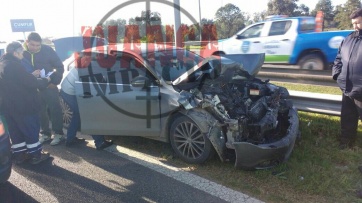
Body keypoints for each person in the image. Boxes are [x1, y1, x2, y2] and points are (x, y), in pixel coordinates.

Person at [0, 41, 51, 164]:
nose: (23, 54)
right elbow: (31, 83)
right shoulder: (15, 65)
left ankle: (20, 155)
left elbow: (15, 82)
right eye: (21, 52)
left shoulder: (2, 64)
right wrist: (46, 80)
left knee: (16, 132)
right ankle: (36, 155)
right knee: (30, 129)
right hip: (24, 105)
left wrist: (30, 76)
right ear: (15, 53)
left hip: (9, 107)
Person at [60, 55, 113, 150]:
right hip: (70, 92)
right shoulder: (88, 70)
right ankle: (99, 142)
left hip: (69, 89)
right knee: (87, 115)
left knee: (78, 115)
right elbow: (88, 90)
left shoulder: (92, 64)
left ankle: (70, 139)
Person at [23, 32, 65, 146]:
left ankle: (58, 134)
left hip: (49, 86)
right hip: (33, 88)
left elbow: (60, 67)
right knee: (40, 111)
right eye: (32, 45)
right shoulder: (22, 52)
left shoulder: (47, 50)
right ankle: (45, 134)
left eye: (38, 45)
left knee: (54, 109)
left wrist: (55, 82)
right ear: (27, 42)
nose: (35, 48)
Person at [332, 8, 362, 149]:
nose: (355, 26)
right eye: (353, 23)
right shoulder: (348, 38)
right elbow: (338, 59)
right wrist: (337, 76)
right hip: (347, 88)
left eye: (358, 23)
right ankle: (346, 142)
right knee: (347, 118)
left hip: (361, 90)